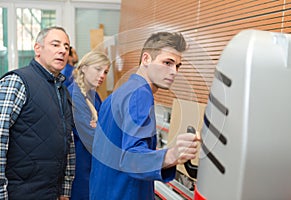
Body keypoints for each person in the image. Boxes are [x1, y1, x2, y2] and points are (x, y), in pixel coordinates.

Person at [90, 32, 201, 199]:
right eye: (167, 63)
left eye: (177, 66)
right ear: (146, 59)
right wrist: (172, 155)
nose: (174, 72)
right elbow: (130, 158)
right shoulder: (141, 94)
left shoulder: (118, 94)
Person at [0, 26, 75, 200]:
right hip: (19, 193)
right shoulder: (17, 81)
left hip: (51, 193)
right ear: (37, 49)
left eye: (66, 47)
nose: (62, 51)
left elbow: (68, 143)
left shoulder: (62, 90)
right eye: (55, 44)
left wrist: (64, 190)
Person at [68, 50, 110, 200]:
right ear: (84, 68)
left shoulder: (93, 94)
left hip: (93, 164)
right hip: (81, 167)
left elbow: (103, 126)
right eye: (98, 69)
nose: (102, 76)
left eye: (105, 72)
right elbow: (92, 137)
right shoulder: (75, 95)